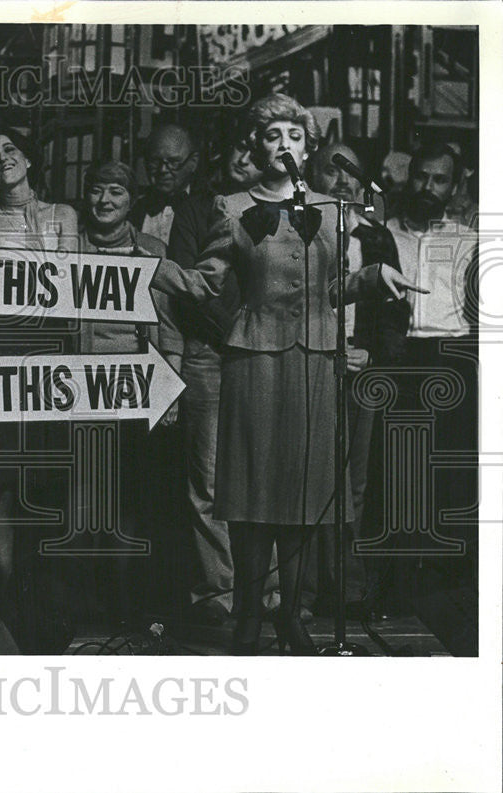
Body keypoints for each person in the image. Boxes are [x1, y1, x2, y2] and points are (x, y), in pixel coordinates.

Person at [150, 94, 423, 655]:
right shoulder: (231, 206)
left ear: (309, 145)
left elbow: (329, 289)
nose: (284, 146)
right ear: (258, 144)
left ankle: (292, 618)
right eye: (273, 136)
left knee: (304, 491)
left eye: (294, 137)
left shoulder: (333, 210)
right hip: (253, 360)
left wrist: (372, 277)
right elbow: (209, 283)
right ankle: (250, 617)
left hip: (317, 360)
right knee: (252, 494)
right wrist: (158, 270)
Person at [0, 124, 79, 651]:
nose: (0, 159)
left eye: (9, 149)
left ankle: (43, 604)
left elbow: (66, 281)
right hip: (0, 361)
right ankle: (6, 602)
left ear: (29, 157)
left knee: (47, 490)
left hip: (53, 364)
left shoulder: (64, 215)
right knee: (1, 489)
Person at [306, 141, 411, 615]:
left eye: (352, 172)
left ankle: (345, 588)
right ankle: (305, 587)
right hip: (307, 368)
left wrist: (372, 356)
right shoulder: (299, 230)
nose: (343, 180)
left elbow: (394, 312)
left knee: (357, 483)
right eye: (333, 170)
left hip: (361, 373)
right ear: (311, 176)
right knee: (309, 478)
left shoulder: (377, 238)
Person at [375, 142, 478, 617]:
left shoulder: (470, 240)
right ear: (408, 178)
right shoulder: (380, 235)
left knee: (451, 473)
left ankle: (445, 587)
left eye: (440, 180)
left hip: (453, 356)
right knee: (397, 471)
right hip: (401, 356)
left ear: (454, 187)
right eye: (421, 177)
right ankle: (394, 586)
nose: (428, 188)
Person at [76, 160, 181, 619]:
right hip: (76, 389)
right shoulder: (71, 248)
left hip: (135, 388)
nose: (105, 201)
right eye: (98, 191)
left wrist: (170, 389)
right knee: (83, 499)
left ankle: (124, 605)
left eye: (116, 192)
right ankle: (82, 604)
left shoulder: (152, 249)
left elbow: (171, 329)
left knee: (130, 502)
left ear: (131, 200)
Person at [167, 131, 258, 625]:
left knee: (263, 475)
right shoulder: (197, 209)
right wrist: (237, 330)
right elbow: (186, 284)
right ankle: (220, 596)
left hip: (265, 355)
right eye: (238, 146)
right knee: (207, 480)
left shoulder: (282, 209)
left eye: (255, 147)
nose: (245, 156)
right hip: (209, 352)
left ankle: (268, 596)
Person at [128, 123, 207, 248]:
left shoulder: (209, 209)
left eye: (173, 162)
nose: (163, 169)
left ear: (193, 162)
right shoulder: (132, 208)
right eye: (155, 161)